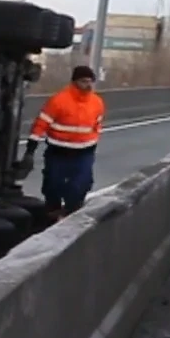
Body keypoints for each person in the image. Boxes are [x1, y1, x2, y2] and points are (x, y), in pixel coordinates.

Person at [17, 65, 105, 221]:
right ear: (75, 81)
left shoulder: (97, 102)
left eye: (91, 82)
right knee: (53, 184)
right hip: (59, 152)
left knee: (80, 183)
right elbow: (41, 125)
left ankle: (72, 210)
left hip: (84, 153)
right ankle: (53, 211)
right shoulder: (58, 101)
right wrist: (30, 150)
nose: (89, 85)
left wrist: (93, 142)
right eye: (84, 81)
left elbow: (97, 125)